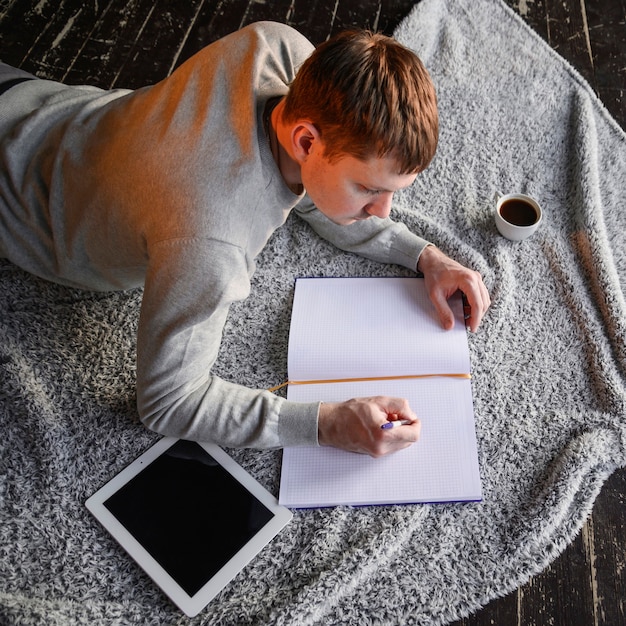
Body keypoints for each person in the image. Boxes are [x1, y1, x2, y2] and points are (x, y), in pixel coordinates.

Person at [0, 22, 490, 458]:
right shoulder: (210, 242)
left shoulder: (279, 50)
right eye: (369, 189)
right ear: (305, 141)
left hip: (38, 106)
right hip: (23, 209)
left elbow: (317, 191)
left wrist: (424, 255)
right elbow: (168, 401)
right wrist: (326, 424)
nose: (381, 210)